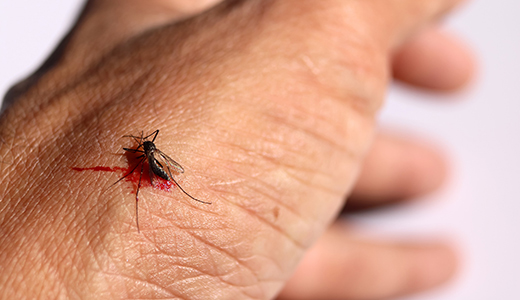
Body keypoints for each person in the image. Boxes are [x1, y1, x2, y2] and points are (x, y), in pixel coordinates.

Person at [0, 0, 475, 299]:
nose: (143, 148)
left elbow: (156, 155)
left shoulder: (149, 154)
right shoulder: (144, 154)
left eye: (144, 147)